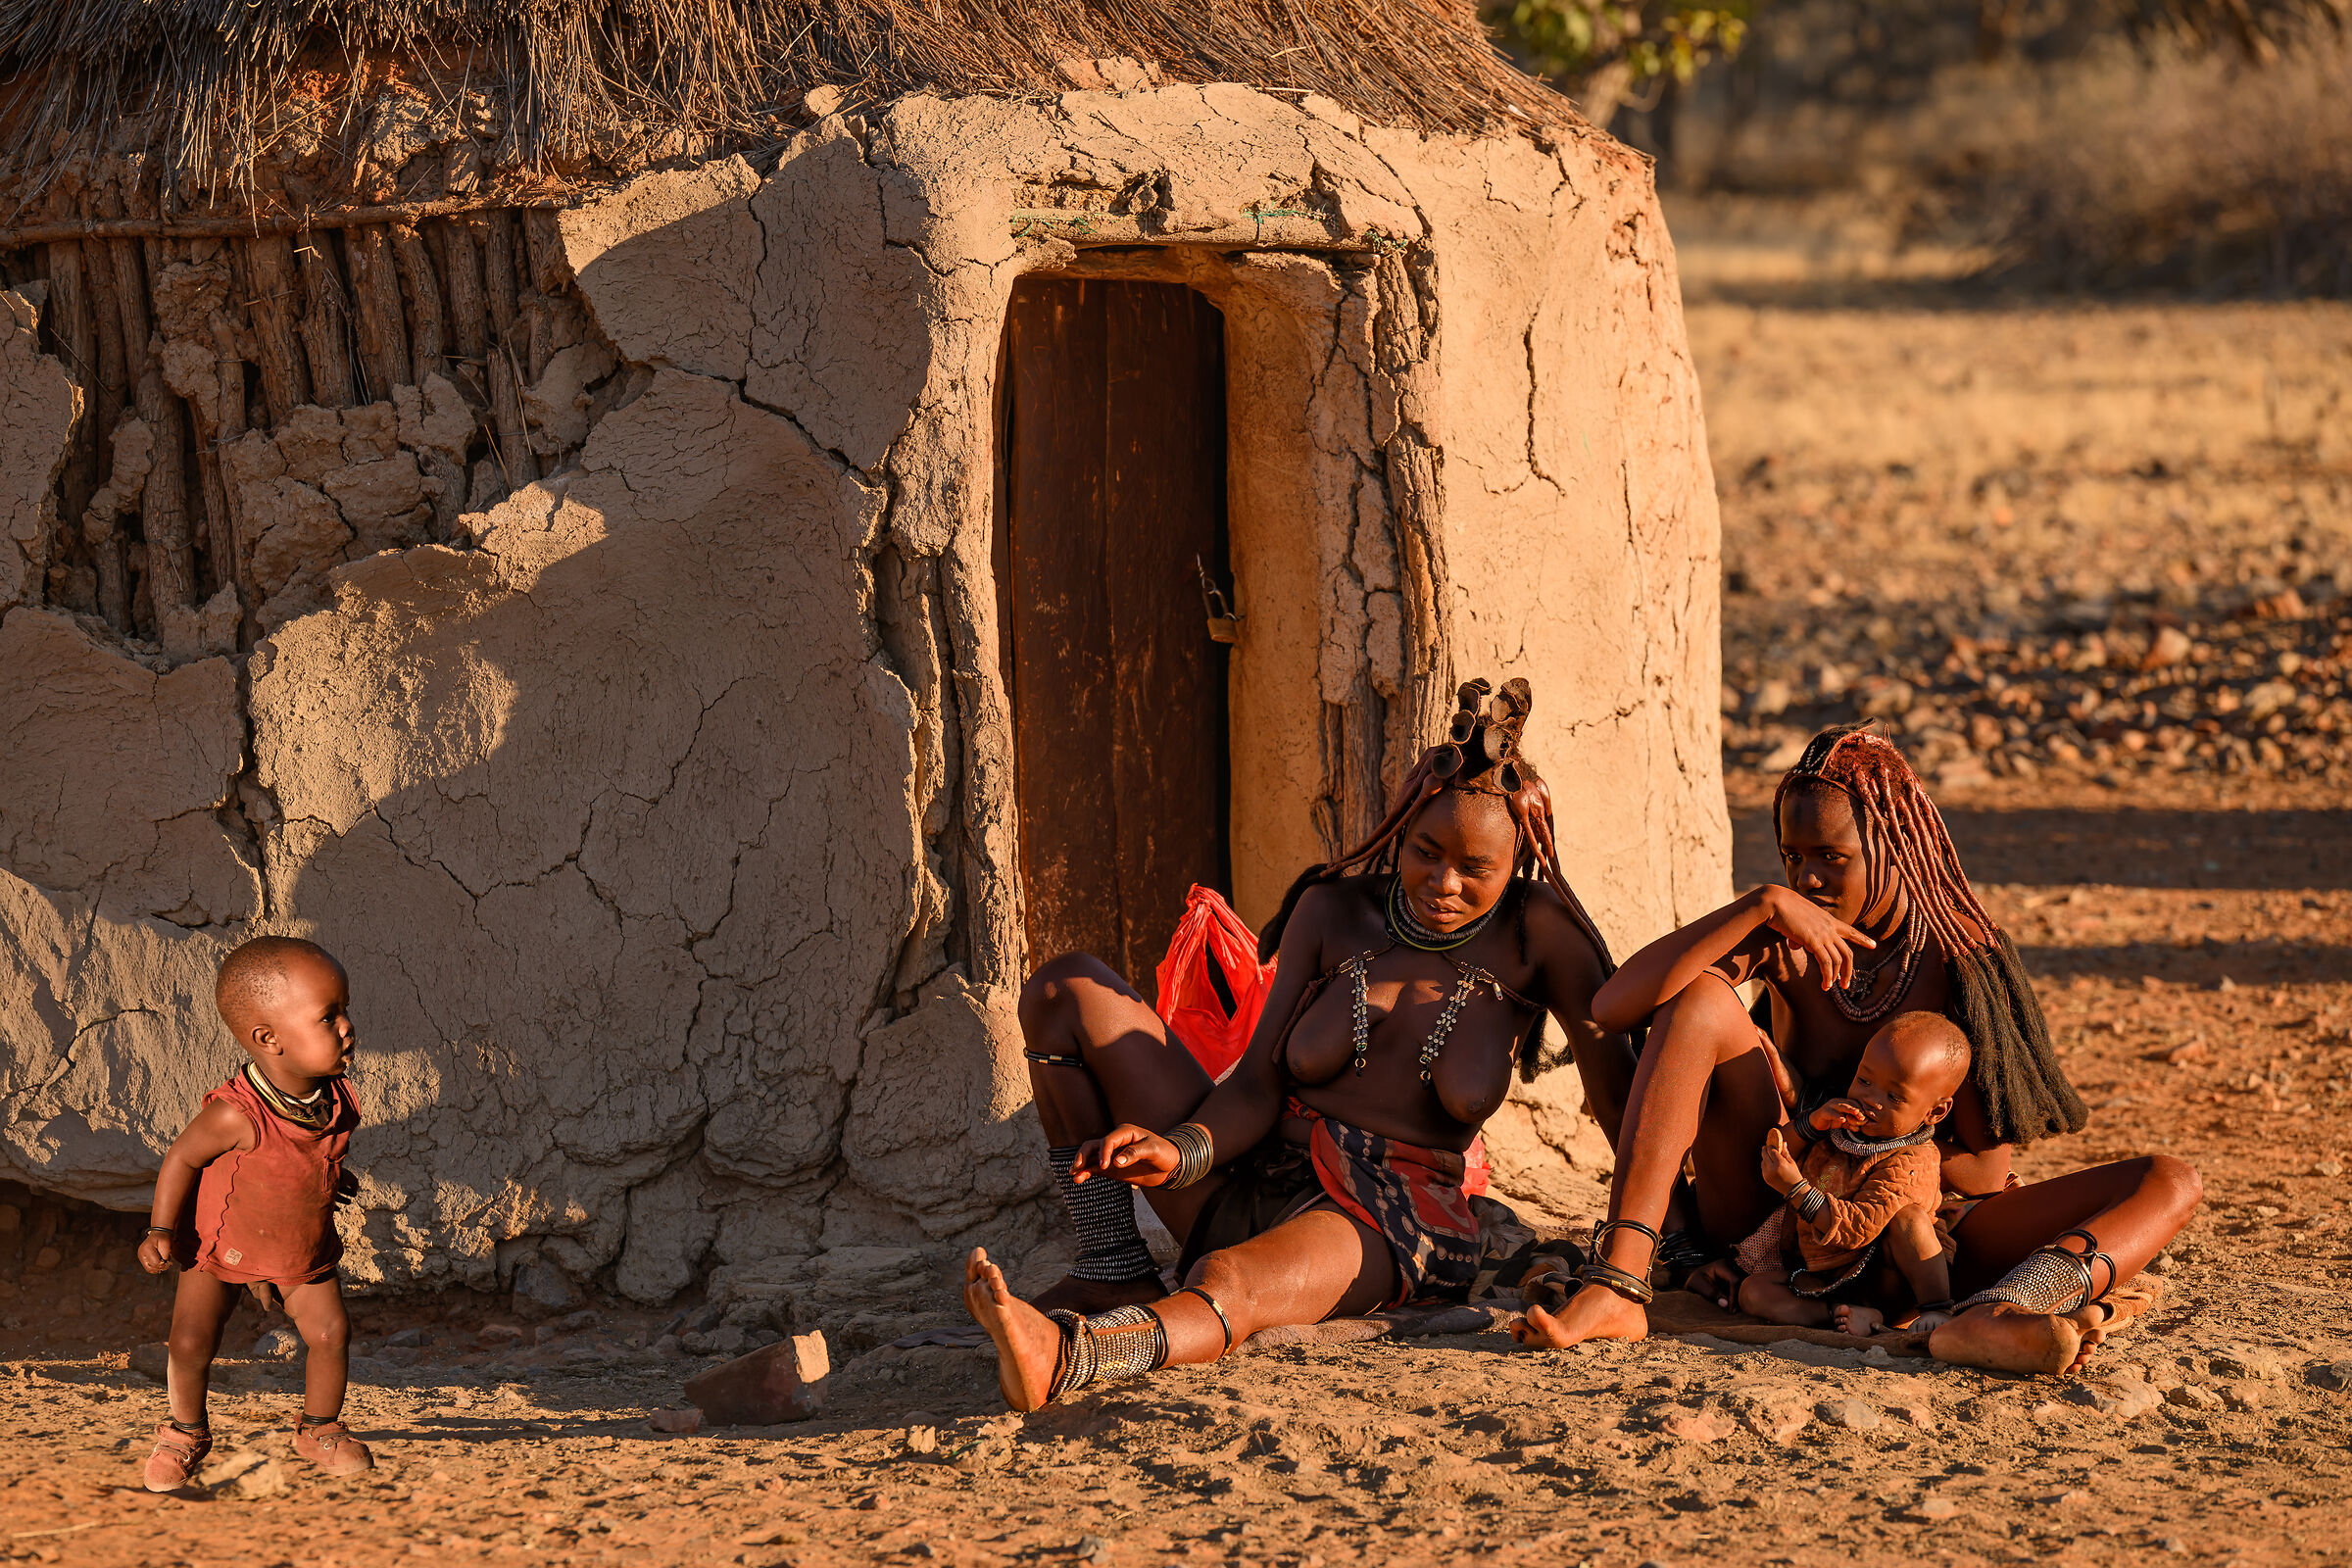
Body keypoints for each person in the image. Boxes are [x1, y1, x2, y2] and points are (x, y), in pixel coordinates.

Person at [963, 678, 1634, 1409]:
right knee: (1068, 990)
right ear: (1400, 830)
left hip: (1387, 1215)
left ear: (1515, 870)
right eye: (1426, 851)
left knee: (1231, 1280)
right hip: (1254, 1167)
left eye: (1476, 870)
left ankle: (1066, 1356)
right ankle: (1113, 1263)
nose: (1443, 882)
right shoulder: (1333, 909)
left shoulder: (1537, 937)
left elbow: (1620, 1101)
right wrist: (1179, 1149)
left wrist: (1654, 1250)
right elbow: (1254, 1084)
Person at [1512, 724, 2200, 1376]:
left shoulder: (1960, 962)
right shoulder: (1786, 934)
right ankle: (1619, 1282)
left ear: (1894, 848)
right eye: (1791, 858)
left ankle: (2005, 1308)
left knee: (2171, 1181)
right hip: (1778, 1219)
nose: (1806, 878)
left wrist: (1882, 1143)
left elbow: (1984, 1178)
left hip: (1917, 1237)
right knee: (1698, 1002)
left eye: (1830, 859)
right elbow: (1612, 1007)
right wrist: (1759, 906)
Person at [135, 936, 373, 1491]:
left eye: (345, 1009)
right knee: (191, 1341)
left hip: (297, 1245)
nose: (347, 1027)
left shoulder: (335, 1100)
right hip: (219, 1243)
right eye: (328, 1016)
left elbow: (302, 1159)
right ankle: (183, 1432)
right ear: (269, 1039)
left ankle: (319, 1429)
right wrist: (161, 1229)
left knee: (331, 1332)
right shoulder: (235, 1115)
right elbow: (181, 1159)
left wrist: (328, 1178)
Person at [1693, 1011, 1968, 1338]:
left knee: (1911, 1221)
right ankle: (1839, 1317)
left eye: (1893, 1097)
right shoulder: (1840, 1129)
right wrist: (1811, 1125)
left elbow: (1858, 1228)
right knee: (1753, 1292)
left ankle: (1936, 1309)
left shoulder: (1913, 1160)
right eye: (1864, 1081)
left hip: (1889, 1277)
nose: (1870, 1099)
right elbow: (1786, 1151)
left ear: (1936, 1111)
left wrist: (1796, 1189)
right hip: (1826, 1274)